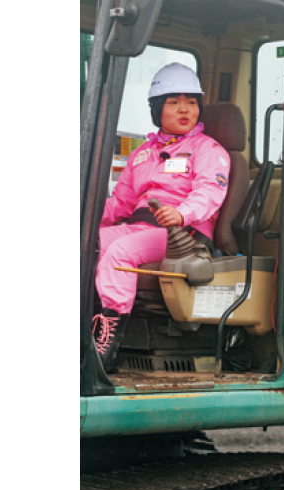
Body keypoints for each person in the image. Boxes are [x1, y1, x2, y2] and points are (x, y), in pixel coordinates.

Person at [93, 63, 230, 369]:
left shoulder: (209, 150)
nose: (184, 110)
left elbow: (209, 193)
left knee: (119, 253)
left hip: (181, 236)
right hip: (138, 226)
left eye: (192, 102)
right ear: (157, 109)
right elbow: (121, 204)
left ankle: (107, 347)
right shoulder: (143, 153)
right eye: (173, 102)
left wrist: (181, 214)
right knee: (86, 243)